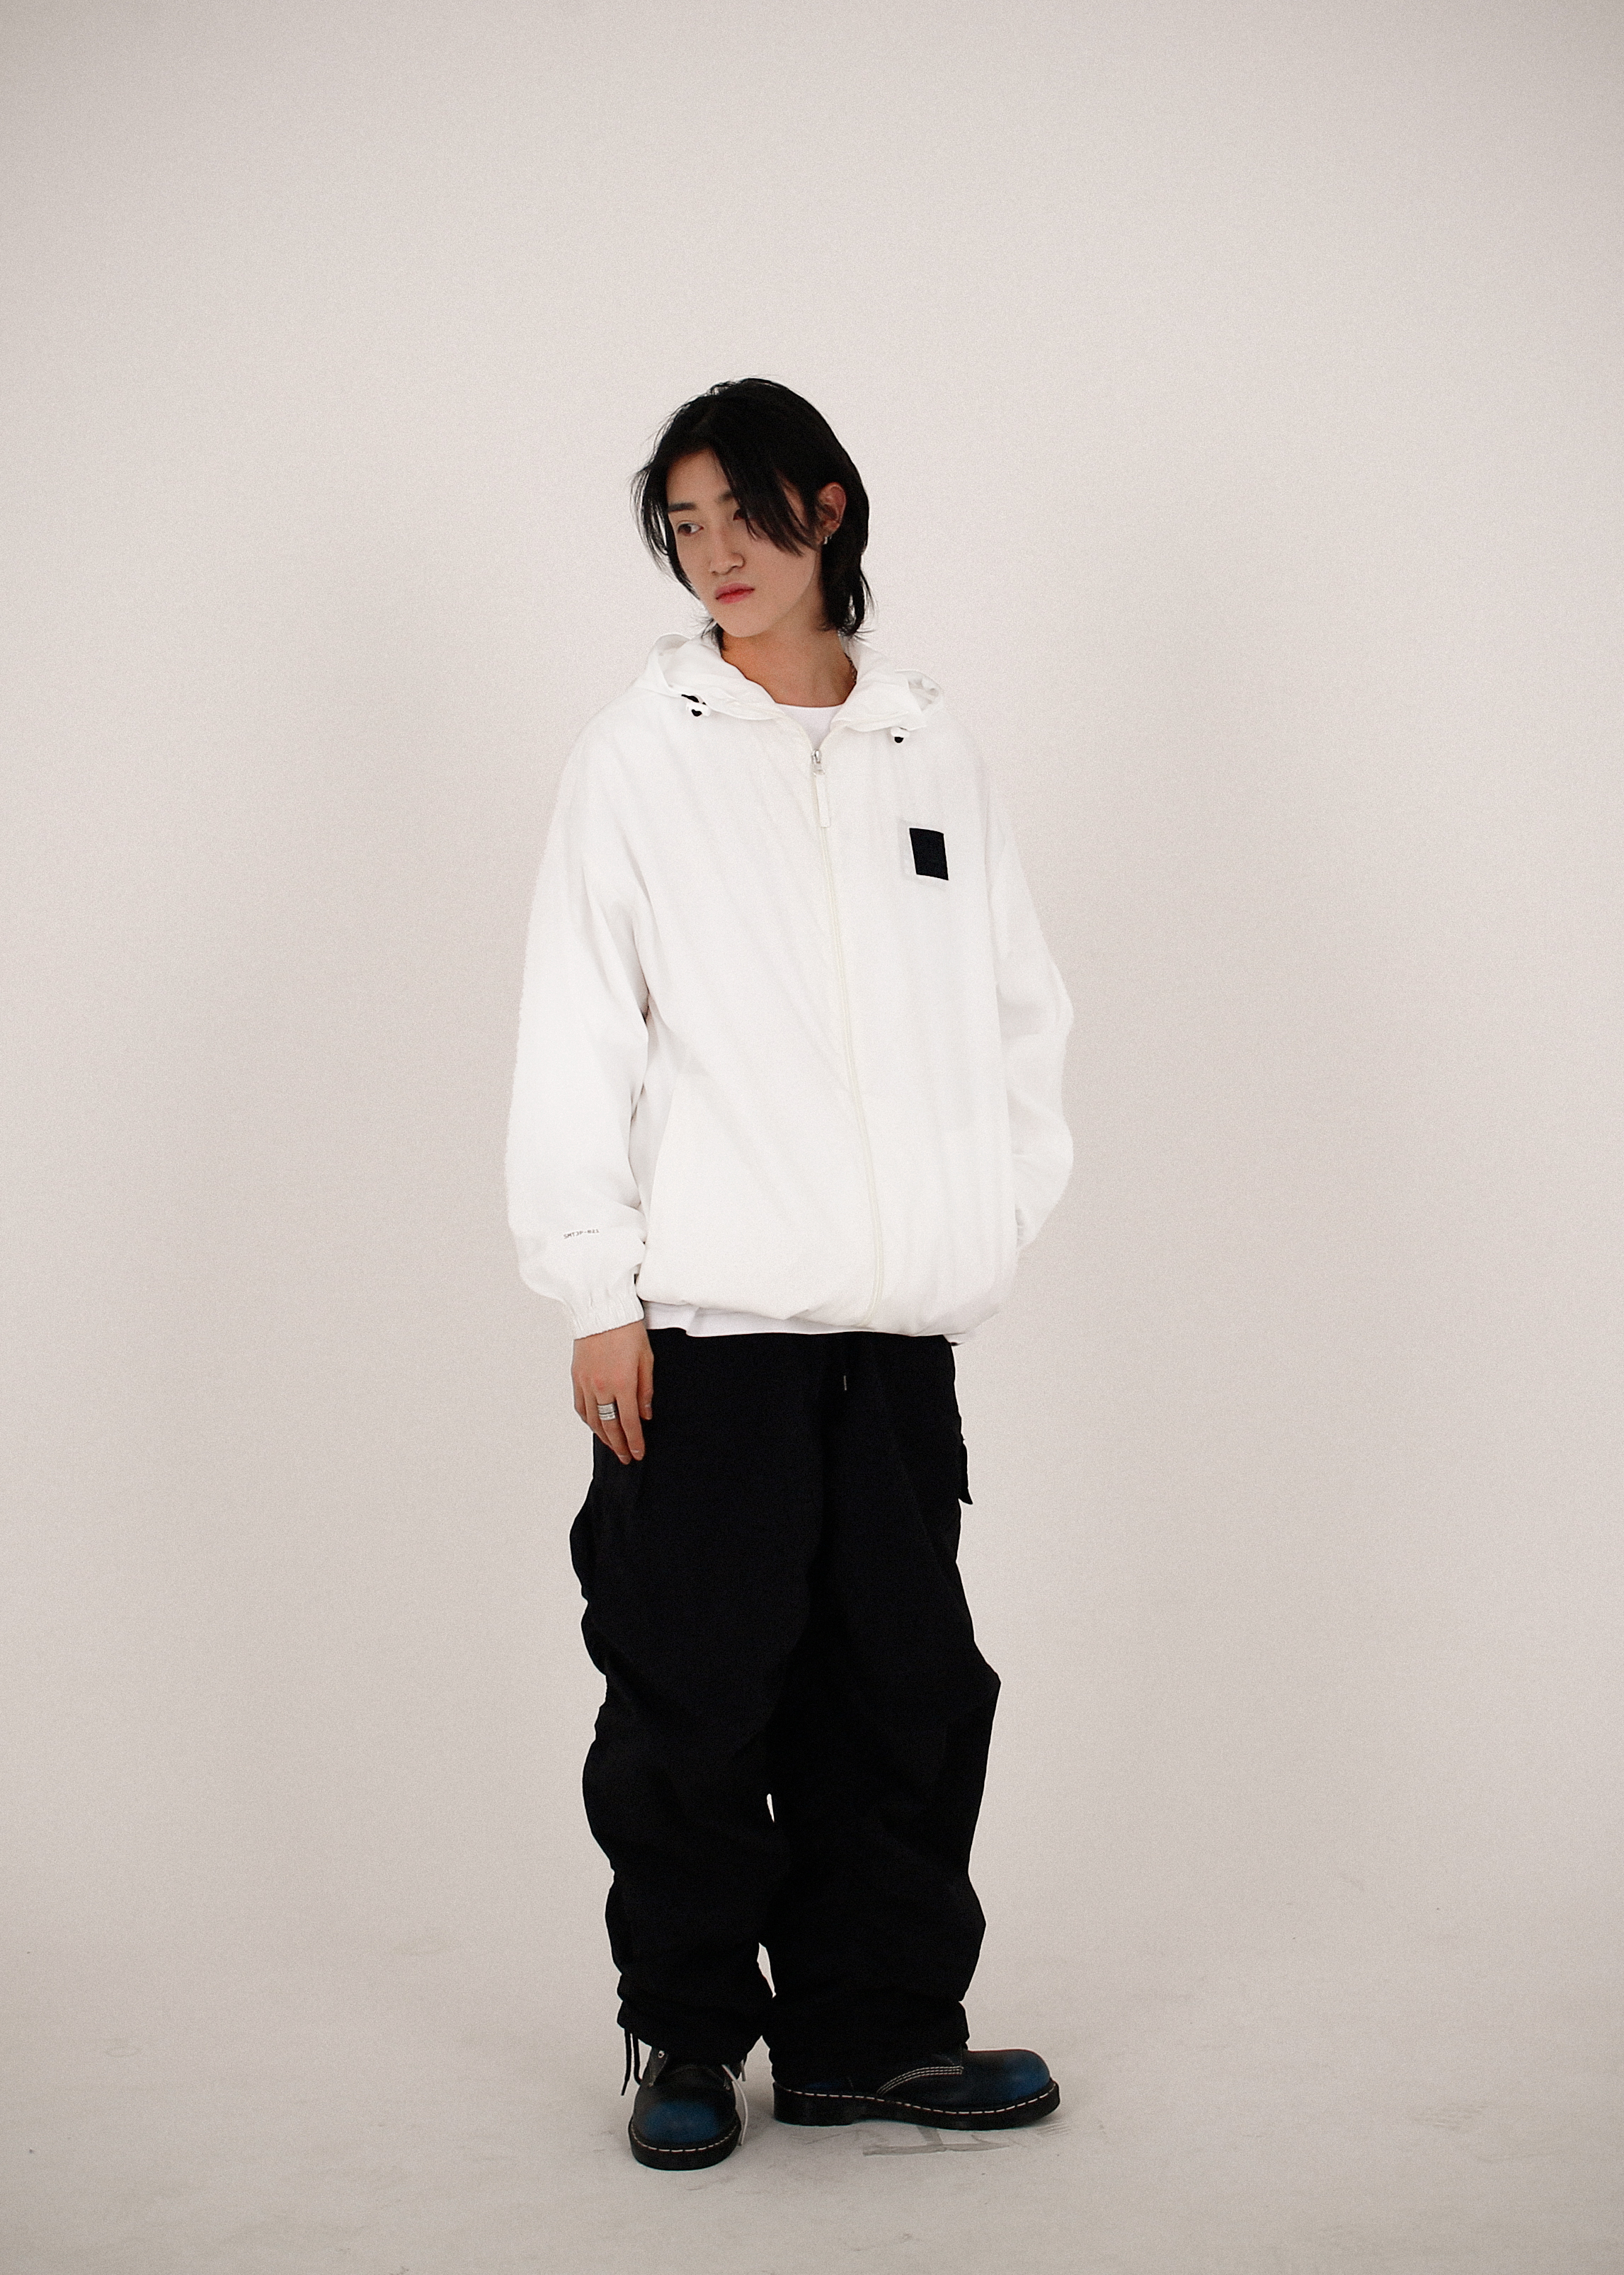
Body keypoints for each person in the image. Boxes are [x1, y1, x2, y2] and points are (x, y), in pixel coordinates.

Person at [505, 377, 1074, 2169]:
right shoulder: (637, 755)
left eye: (742, 515)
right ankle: (683, 2030)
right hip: (709, 1327)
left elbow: (1017, 1016)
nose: (715, 555)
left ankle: (869, 2035)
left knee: (903, 1689)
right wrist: (597, 1288)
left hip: (891, 1333)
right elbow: (577, 1028)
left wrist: (976, 1227)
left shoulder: (928, 749)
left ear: (826, 509)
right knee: (692, 1687)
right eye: (684, 526)